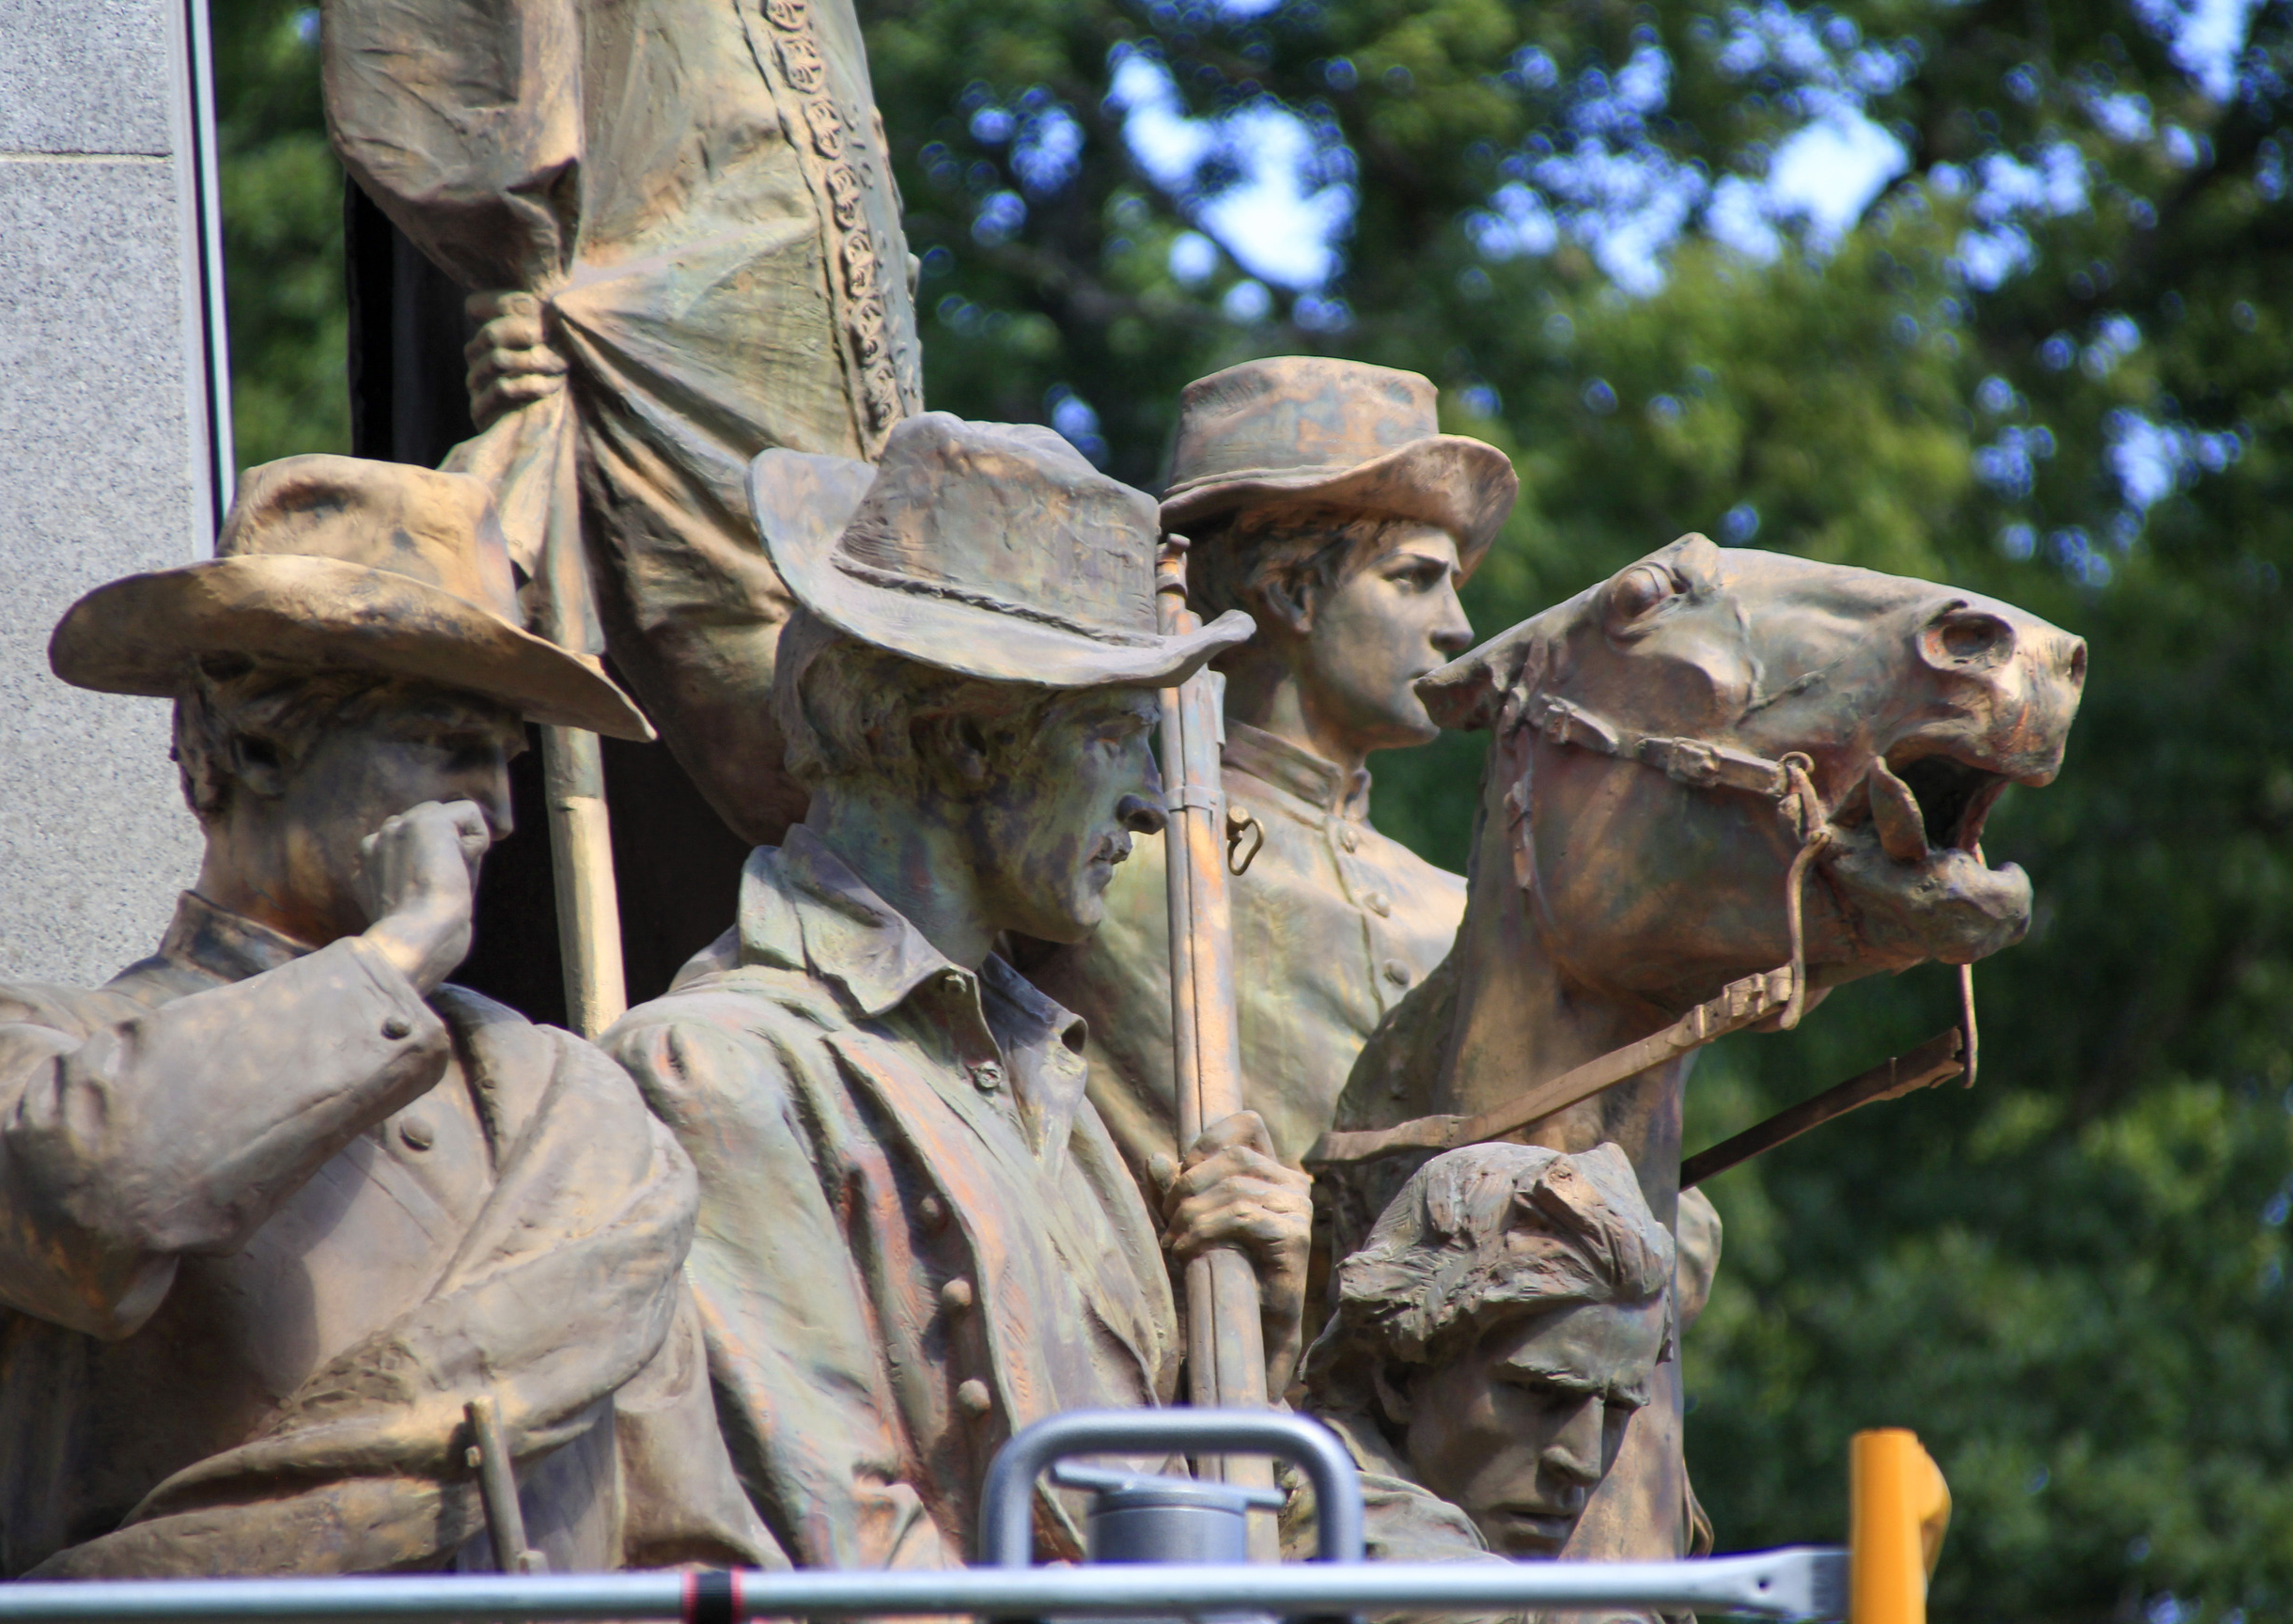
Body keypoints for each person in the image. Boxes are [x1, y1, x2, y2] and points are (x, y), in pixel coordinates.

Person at [0, 457, 769, 1578]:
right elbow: (95, 1201)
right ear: (259, 741)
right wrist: (393, 959)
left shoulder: (563, 1102)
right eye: (449, 750)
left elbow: (689, 1542)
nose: (499, 814)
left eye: (507, 762)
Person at [599, 414, 1315, 1569]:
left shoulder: (1043, 1078)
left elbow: (1173, 1531)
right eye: (1114, 737)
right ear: (969, 743)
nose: (1150, 800)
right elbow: (852, 1562)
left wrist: (1259, 1346)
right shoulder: (721, 1076)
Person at [324, 0, 924, 849]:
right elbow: (432, 69)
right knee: (876, 777)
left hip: (869, 446)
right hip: (664, 410)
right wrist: (524, 273)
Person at [1029, 357, 1517, 1179]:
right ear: (1292, 592)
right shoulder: (1101, 862)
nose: (1458, 628)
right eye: (1415, 581)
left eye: (1454, 584)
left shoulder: (1470, 911)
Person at [1287, 1142, 1679, 1575]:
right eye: (1540, 1390)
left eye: (1619, 1408)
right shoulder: (1333, 1546)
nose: (1583, 1463)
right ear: (1399, 1376)